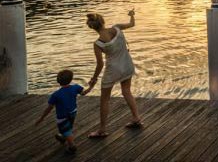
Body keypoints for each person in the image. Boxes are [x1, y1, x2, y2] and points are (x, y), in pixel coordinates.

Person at [85, 10, 142, 138]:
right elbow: (132, 24)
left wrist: (94, 78)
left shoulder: (98, 43)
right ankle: (136, 117)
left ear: (92, 27)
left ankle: (102, 130)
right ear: (103, 21)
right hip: (127, 65)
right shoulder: (117, 28)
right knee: (126, 91)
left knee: (104, 99)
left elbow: (100, 65)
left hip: (112, 70)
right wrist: (132, 15)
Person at [35, 69, 90, 154]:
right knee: (69, 126)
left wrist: (42, 118)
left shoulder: (56, 94)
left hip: (62, 116)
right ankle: (63, 137)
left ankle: (72, 146)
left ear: (58, 81)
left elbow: (49, 108)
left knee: (65, 130)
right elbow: (84, 93)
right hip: (73, 112)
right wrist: (91, 86)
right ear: (71, 79)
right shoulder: (75, 87)